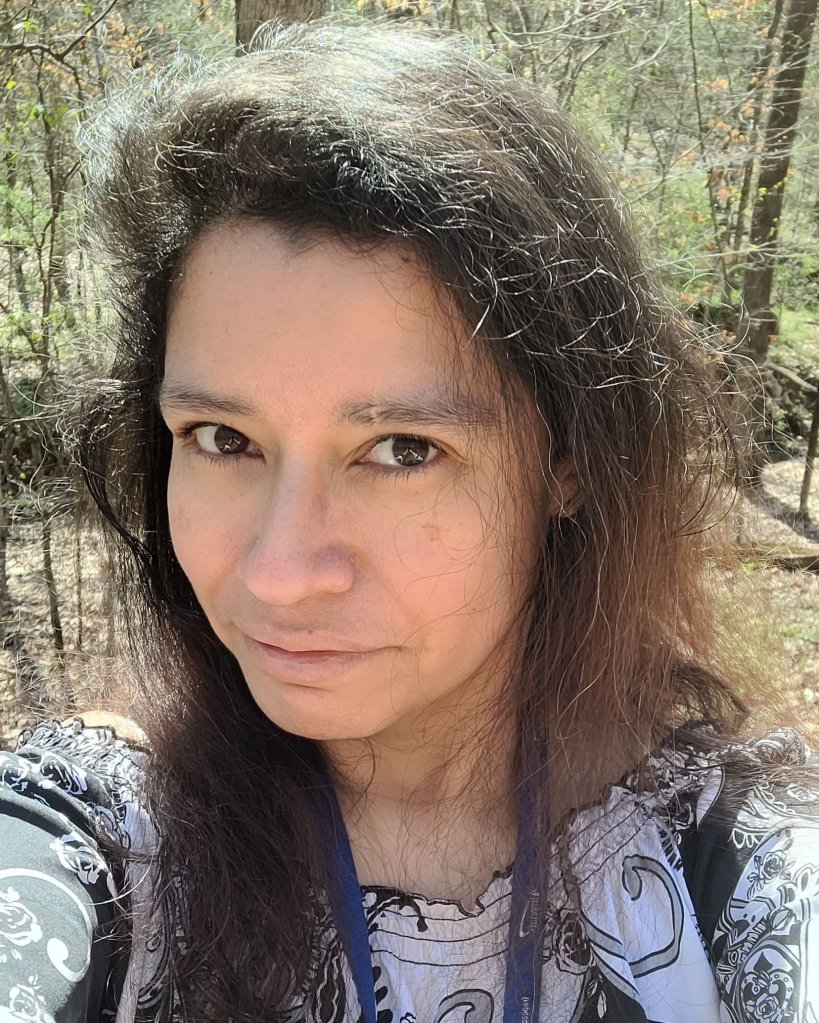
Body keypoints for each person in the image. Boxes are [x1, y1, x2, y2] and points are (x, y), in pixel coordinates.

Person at [1, 20, 817, 1023]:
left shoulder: (737, 870)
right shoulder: (99, 855)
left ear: (568, 462)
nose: (280, 572)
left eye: (401, 451)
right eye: (223, 438)